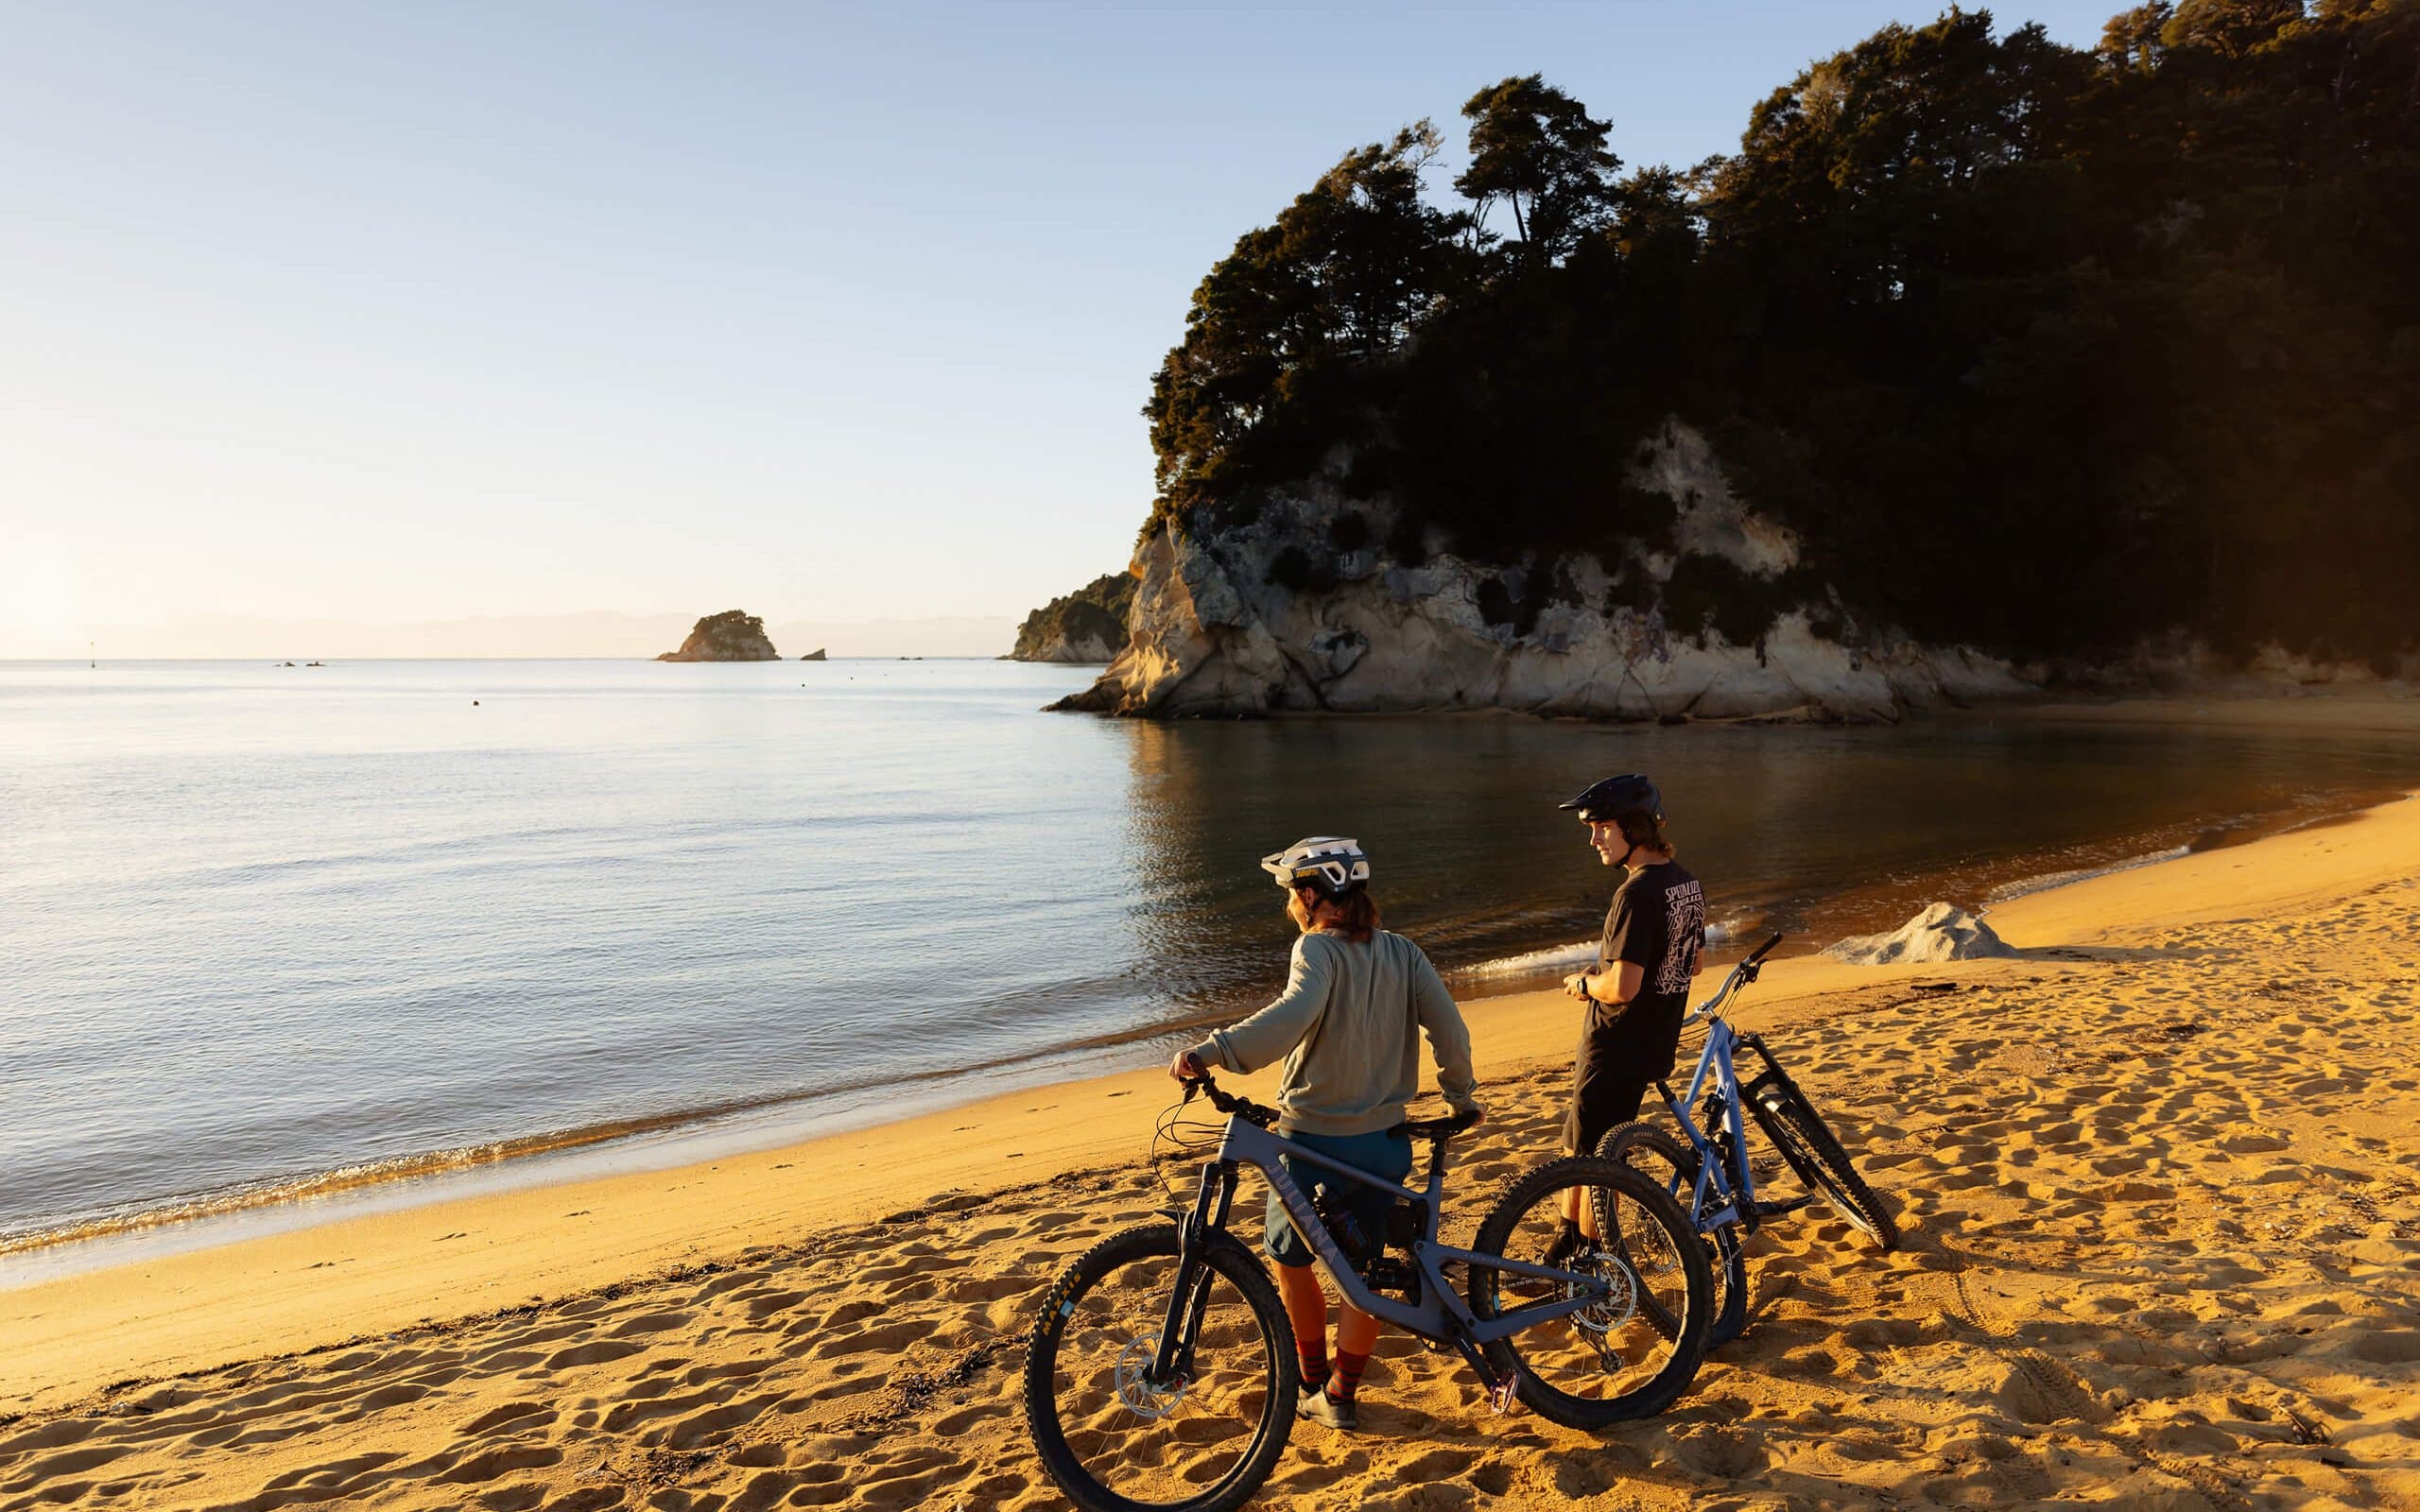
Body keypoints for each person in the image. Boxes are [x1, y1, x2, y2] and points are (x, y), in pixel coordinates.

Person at [1167, 836, 1481, 1433]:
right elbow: (1450, 1028)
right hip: (1383, 1143)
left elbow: (1290, 1017)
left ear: (1312, 896)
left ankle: (1311, 1381)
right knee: (1364, 1270)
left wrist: (1212, 1052)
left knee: (1290, 1260)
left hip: (1310, 1145)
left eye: (1292, 893)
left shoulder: (1315, 948)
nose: (1290, 904)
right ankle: (1341, 1393)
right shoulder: (1404, 952)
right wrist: (1461, 1096)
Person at [1552, 774, 1705, 1249]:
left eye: (1602, 827)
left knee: (1596, 1165)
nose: (1594, 840)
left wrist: (1583, 985)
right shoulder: (1684, 882)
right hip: (1653, 1040)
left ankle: (1593, 1260)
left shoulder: (1635, 894)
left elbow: (1621, 988)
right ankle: (1566, 1240)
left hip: (1614, 1045)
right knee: (1579, 1143)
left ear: (1634, 828)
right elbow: (1694, 962)